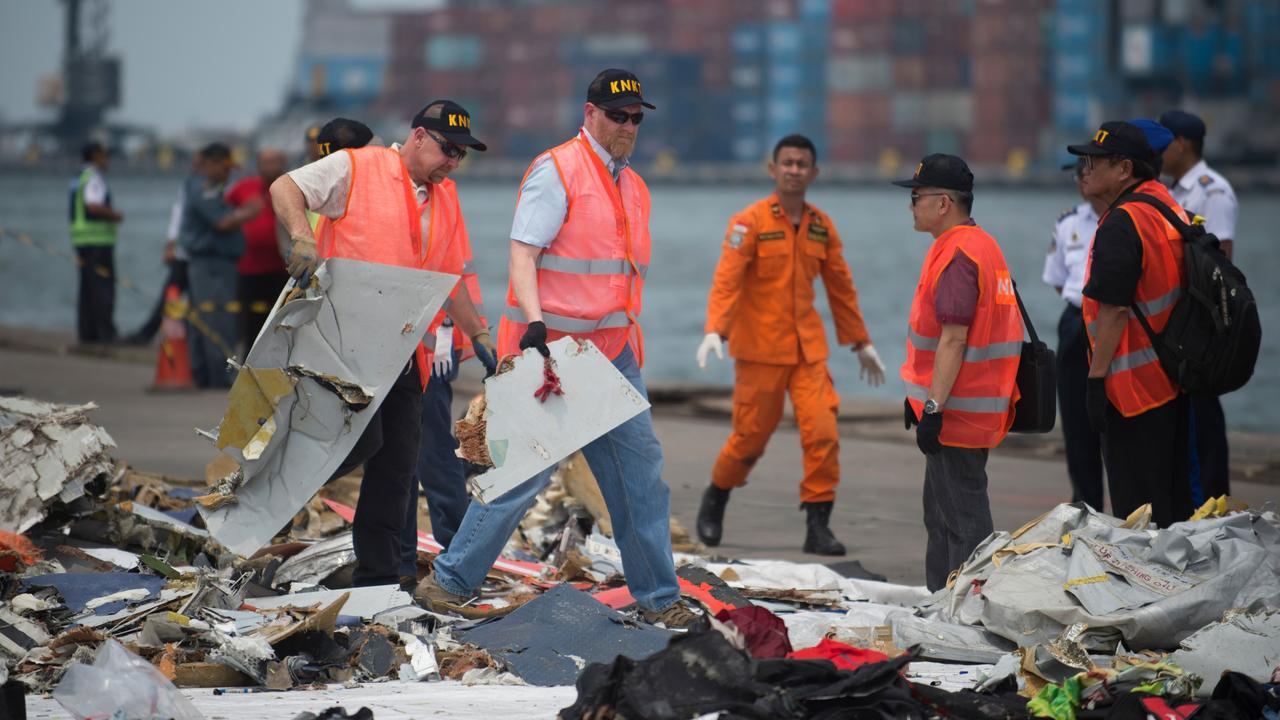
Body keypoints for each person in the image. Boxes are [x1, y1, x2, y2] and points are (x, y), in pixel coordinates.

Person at [412, 68, 699, 630]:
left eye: (637, 117)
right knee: (521, 478)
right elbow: (523, 254)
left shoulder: (633, 187)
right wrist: (536, 326)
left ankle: (661, 598)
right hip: (555, 356)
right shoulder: (557, 169)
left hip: (612, 356)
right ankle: (448, 582)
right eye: (618, 116)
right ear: (590, 114)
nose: (629, 126)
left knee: (641, 479)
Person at [270, 100, 493, 587]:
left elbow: (448, 279)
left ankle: (381, 578)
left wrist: (479, 333)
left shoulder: (445, 197)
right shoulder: (358, 166)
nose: (453, 162)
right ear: (417, 137)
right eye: (447, 149)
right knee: (361, 443)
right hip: (343, 347)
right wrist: (299, 236)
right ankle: (274, 490)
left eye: (462, 154)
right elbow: (285, 186)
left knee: (396, 468)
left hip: (405, 352)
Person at [693, 134, 883, 556]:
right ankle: (716, 496)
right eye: (788, 163)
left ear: (814, 173)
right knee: (749, 440)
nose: (795, 170)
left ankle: (818, 526)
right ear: (773, 169)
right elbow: (727, 280)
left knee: (823, 432)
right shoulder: (749, 223)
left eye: (802, 164)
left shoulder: (821, 227)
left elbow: (841, 289)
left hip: (808, 352)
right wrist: (715, 331)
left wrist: (861, 342)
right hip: (759, 351)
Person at [894, 154, 1023, 592]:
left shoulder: (958, 255)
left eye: (916, 197)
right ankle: (942, 601)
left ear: (943, 202)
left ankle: (971, 609)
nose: (911, 206)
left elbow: (954, 338)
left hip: (957, 412)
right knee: (941, 515)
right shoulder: (981, 244)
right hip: (967, 405)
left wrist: (933, 407)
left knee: (965, 521)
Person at [1068, 121, 1192, 528]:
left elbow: (1114, 310)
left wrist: (1095, 380)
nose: (1085, 170)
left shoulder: (1123, 222)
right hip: (1170, 380)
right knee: (1170, 510)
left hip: (1132, 392)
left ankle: (1146, 589)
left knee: (1137, 518)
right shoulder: (1164, 207)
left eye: (1093, 161)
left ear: (1124, 168)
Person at [1159, 109, 1236, 501]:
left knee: (1205, 422)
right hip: (1177, 325)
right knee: (1184, 420)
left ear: (1181, 144)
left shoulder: (1212, 190)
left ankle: (1214, 504)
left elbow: (1221, 261)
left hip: (1200, 323)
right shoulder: (1171, 192)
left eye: (1164, 141)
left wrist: (1210, 328)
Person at [1043, 159, 1106, 511]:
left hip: (1115, 320)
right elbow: (1057, 279)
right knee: (1075, 417)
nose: (1081, 178)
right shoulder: (1068, 223)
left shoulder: (1126, 219)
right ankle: (1086, 503)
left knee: (1117, 418)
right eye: (1077, 172)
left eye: (1088, 170)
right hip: (1075, 319)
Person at [180, 143, 259, 388]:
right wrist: (250, 212)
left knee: (205, 317)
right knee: (217, 318)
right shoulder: (202, 187)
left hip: (215, 263)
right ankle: (220, 377)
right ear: (212, 163)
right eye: (225, 168)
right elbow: (222, 222)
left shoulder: (210, 186)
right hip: (212, 263)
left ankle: (204, 373)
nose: (228, 174)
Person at [125, 152, 201, 346]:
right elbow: (178, 216)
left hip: (195, 255)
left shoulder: (204, 186)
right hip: (185, 254)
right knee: (171, 297)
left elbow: (179, 217)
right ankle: (149, 334)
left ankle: (181, 338)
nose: (195, 165)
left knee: (192, 300)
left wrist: (171, 244)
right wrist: (171, 245)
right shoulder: (191, 186)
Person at [227, 149, 289, 353]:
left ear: (283, 164)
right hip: (249, 267)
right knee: (248, 322)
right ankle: (246, 363)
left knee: (280, 320)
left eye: (276, 162)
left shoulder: (292, 187)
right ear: (259, 165)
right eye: (267, 162)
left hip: (283, 267)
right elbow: (221, 211)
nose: (272, 167)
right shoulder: (245, 187)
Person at [69, 141, 123, 345]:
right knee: (103, 289)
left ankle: (88, 333)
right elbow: (94, 206)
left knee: (87, 289)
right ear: (95, 156)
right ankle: (105, 333)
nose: (107, 160)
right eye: (104, 156)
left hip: (82, 241)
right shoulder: (93, 178)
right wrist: (114, 215)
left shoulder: (78, 178)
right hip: (97, 242)